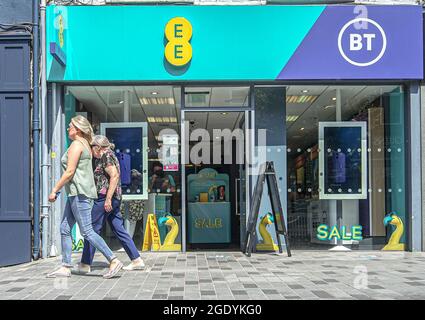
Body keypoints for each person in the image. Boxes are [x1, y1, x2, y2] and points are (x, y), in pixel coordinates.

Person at [47, 116, 123, 279]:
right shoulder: (85, 145)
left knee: (87, 231)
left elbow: (69, 172)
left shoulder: (76, 145)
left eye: (70, 126)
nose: (68, 128)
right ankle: (66, 266)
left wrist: (55, 189)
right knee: (65, 229)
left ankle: (113, 260)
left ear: (78, 129)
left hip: (79, 193)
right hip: (76, 193)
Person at [74, 135, 145, 273]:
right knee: (119, 229)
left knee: (91, 229)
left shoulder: (106, 156)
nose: (91, 151)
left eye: (92, 147)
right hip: (114, 198)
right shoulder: (110, 155)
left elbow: (114, 176)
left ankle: (85, 264)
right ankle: (137, 260)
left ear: (98, 147)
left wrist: (107, 199)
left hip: (104, 198)